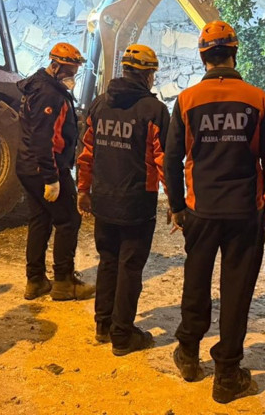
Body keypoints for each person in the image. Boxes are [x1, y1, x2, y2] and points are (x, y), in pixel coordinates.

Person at [164, 21, 265, 404]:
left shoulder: (186, 100)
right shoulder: (257, 99)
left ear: (202, 55)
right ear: (234, 52)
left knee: (195, 281)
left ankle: (189, 355)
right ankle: (227, 373)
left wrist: (177, 207)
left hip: (201, 210)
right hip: (245, 211)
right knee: (236, 292)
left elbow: (173, 157)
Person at [77, 44, 169, 356]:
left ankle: (103, 324)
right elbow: (163, 160)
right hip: (136, 204)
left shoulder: (99, 105)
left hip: (103, 200)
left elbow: (87, 153)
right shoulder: (154, 111)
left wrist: (83, 190)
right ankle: (122, 334)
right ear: (146, 74)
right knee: (130, 268)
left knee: (108, 261)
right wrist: (177, 203)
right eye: (152, 73)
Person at [16, 42, 95, 301]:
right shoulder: (51, 96)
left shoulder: (37, 86)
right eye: (70, 70)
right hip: (45, 168)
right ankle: (64, 281)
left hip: (27, 166)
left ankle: (35, 280)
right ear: (56, 65)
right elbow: (44, 138)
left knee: (40, 220)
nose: (72, 75)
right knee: (69, 220)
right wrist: (51, 178)